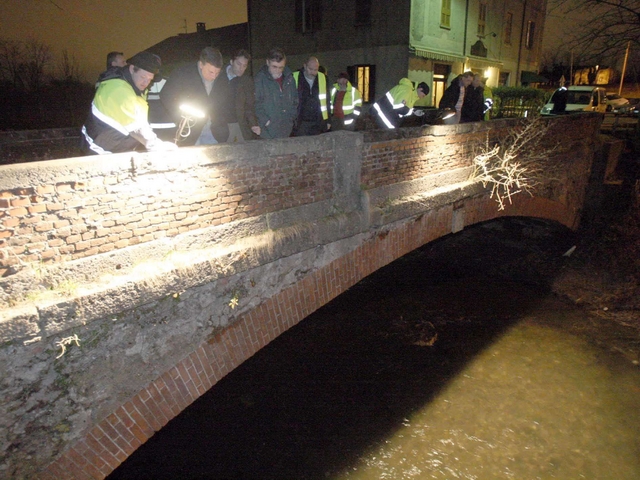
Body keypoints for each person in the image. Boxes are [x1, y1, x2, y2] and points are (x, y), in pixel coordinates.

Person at [82, 51, 176, 155]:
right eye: (143, 77)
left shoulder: (136, 88)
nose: (146, 83)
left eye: (150, 79)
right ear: (132, 69)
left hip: (115, 149)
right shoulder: (117, 88)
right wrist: (156, 145)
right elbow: (136, 128)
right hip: (98, 151)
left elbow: (141, 120)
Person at [160, 47, 229, 146]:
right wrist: (180, 117)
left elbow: (224, 102)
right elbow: (166, 95)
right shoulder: (183, 73)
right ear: (201, 64)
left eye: (217, 73)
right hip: (190, 131)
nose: (214, 76)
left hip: (215, 132)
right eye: (211, 72)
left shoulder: (222, 78)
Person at [254, 47, 298, 139]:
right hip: (267, 131)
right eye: (274, 67)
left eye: (281, 67)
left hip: (286, 129)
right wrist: (266, 122)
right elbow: (256, 103)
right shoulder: (259, 80)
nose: (277, 70)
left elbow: (295, 101)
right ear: (267, 62)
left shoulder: (290, 79)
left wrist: (290, 118)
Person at [225, 49, 260, 142]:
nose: (241, 68)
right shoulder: (219, 77)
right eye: (239, 64)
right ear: (231, 62)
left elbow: (249, 106)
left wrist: (253, 124)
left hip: (240, 125)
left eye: (244, 65)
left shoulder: (247, 81)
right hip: (223, 126)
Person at [292, 56, 331, 136]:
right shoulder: (294, 77)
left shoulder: (322, 78)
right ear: (305, 66)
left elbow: (327, 100)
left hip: (318, 121)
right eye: (310, 69)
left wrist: (328, 120)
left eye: (315, 70)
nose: (313, 72)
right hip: (300, 122)